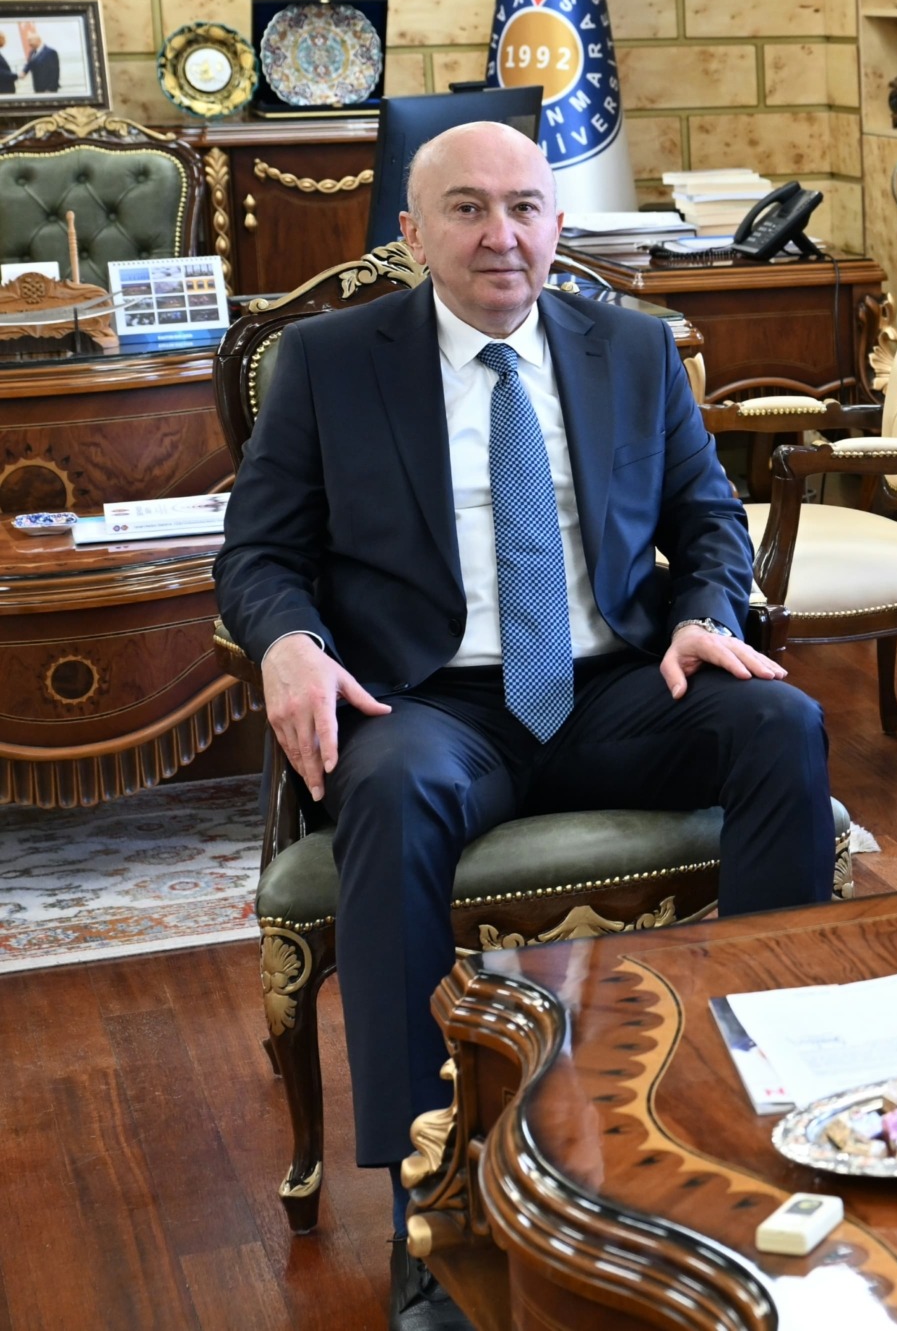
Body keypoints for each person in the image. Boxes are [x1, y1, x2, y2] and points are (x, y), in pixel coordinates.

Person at [216, 121, 835, 1331]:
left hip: (616, 688)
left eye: (525, 207)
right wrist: (287, 642)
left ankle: (758, 1107)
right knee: (389, 793)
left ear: (558, 223)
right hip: (432, 702)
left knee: (780, 722)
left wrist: (703, 612)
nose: (501, 235)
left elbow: (709, 516)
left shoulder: (634, 347)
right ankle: (428, 1207)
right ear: (413, 233)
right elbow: (259, 552)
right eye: (466, 209)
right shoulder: (329, 363)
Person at [16, 23, 58, 94]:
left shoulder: (50, 52)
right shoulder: (32, 52)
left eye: (30, 41)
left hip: (48, 90)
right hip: (37, 88)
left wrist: (51, 89)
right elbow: (29, 64)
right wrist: (24, 72)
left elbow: (55, 72)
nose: (29, 44)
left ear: (38, 40)